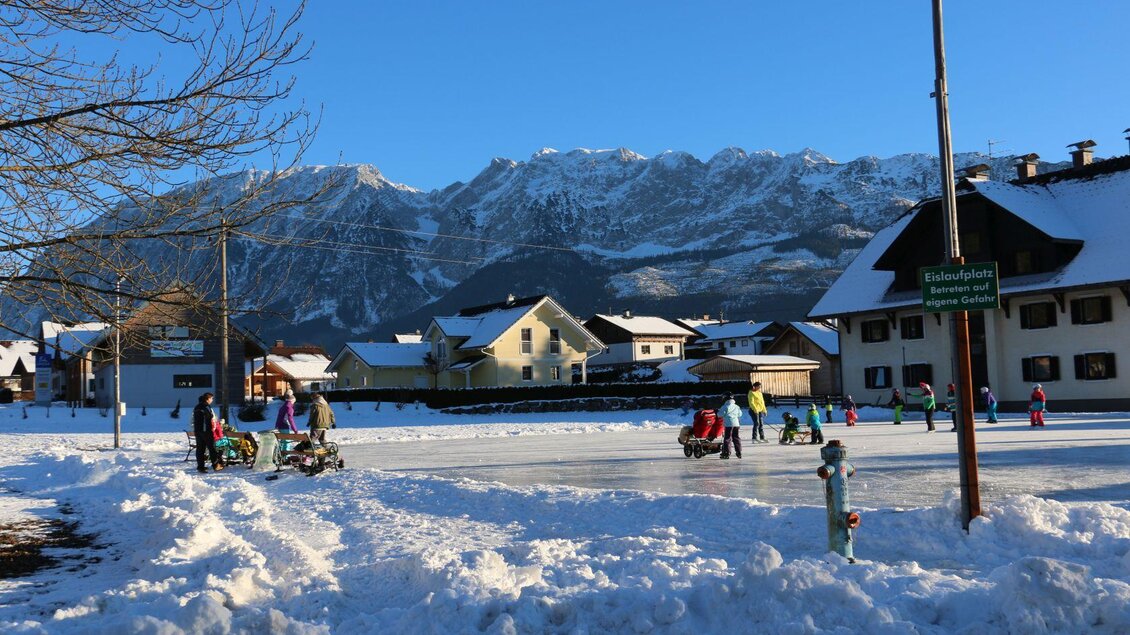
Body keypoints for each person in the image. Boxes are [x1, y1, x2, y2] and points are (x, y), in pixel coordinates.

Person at [192, 392, 222, 473]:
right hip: (206, 431)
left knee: (200, 449)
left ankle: (200, 467)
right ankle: (216, 465)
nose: (212, 400)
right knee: (212, 448)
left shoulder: (197, 407)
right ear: (208, 399)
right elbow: (211, 419)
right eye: (212, 398)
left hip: (198, 431)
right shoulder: (207, 407)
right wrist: (213, 428)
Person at [719, 392, 743, 459]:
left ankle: (726, 453)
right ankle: (739, 452)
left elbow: (720, 414)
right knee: (736, 438)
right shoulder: (736, 406)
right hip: (736, 424)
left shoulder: (725, 406)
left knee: (727, 438)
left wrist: (717, 412)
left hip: (728, 425)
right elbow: (740, 414)